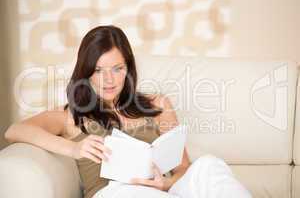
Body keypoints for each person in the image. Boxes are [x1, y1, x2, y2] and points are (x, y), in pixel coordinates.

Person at [4, 25, 252, 198]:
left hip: (165, 190)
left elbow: (183, 170)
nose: (109, 80)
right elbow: (15, 130)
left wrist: (165, 183)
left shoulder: (158, 105)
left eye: (117, 68)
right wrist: (74, 148)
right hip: (116, 192)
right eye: (99, 70)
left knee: (208, 165)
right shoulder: (71, 115)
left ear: (129, 69)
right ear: (86, 72)